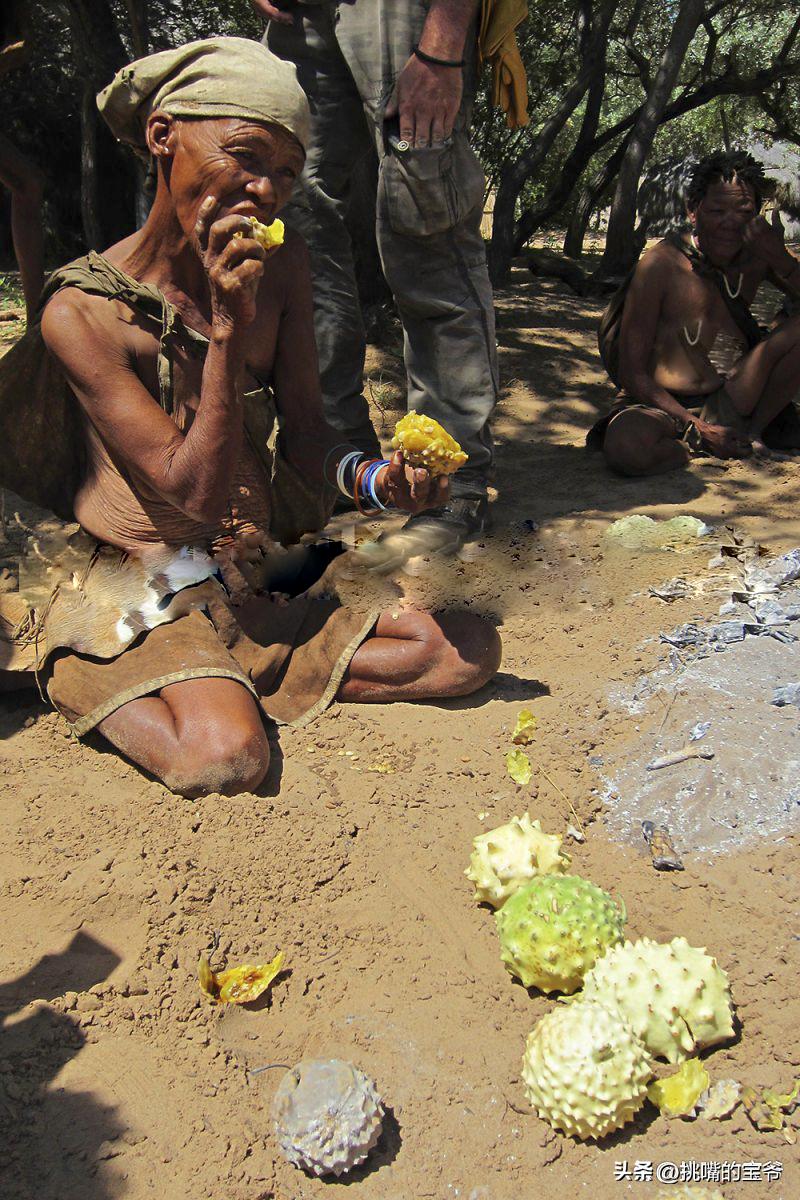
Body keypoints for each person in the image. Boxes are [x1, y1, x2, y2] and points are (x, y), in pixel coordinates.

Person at [4, 38, 500, 797]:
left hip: (250, 565)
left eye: (288, 174)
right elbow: (190, 494)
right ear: (162, 135)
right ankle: (75, 661)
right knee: (226, 757)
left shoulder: (283, 267)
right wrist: (228, 330)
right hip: (144, 580)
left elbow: (308, 437)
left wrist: (378, 483)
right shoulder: (82, 312)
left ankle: (229, 666)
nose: (266, 189)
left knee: (463, 650)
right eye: (245, 155)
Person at [251, 0, 500, 555]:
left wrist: (441, 47)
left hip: (404, 13)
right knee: (294, 220)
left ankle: (447, 481)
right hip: (300, 17)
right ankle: (344, 466)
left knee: (426, 219)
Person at [589, 151, 800, 475]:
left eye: (744, 212)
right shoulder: (661, 264)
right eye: (717, 211)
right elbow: (633, 373)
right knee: (626, 448)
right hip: (660, 404)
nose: (730, 223)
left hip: (732, 396)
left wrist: (781, 258)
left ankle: (752, 433)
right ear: (693, 211)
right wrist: (696, 427)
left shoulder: (759, 257)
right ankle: (697, 446)